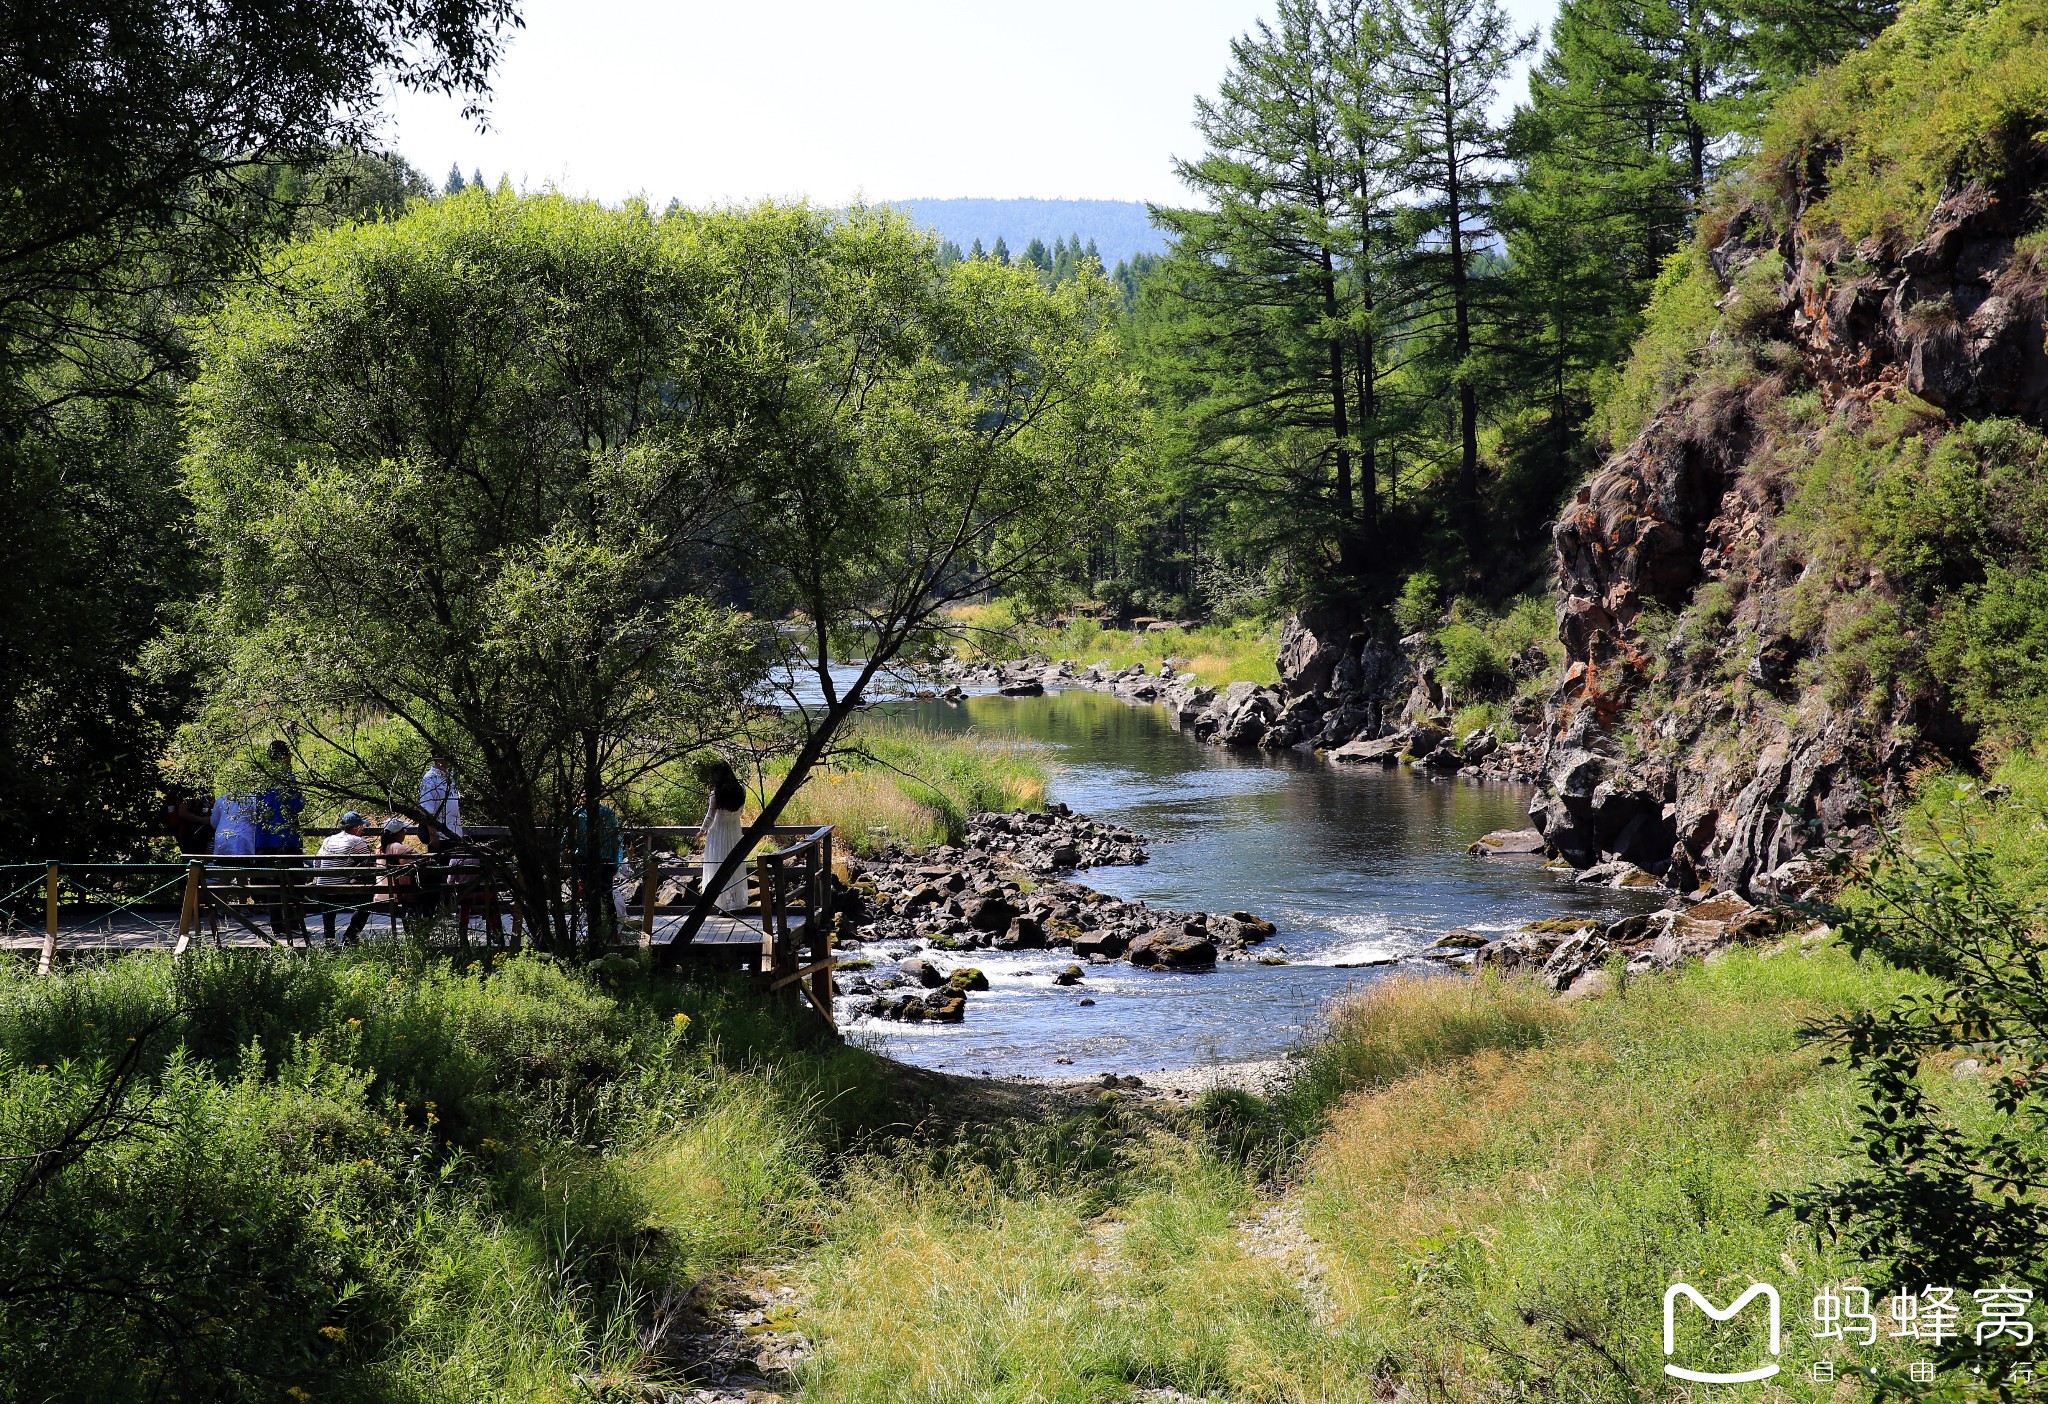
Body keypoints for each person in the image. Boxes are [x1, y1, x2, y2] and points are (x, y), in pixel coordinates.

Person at [315, 812, 375, 945]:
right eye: (362, 827)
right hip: (341, 892)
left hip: (322, 891)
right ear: (356, 828)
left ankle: (329, 940)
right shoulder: (357, 841)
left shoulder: (328, 839)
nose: (363, 829)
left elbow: (317, 864)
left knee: (328, 897)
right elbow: (368, 867)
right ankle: (350, 936)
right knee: (368, 901)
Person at [700, 762, 749, 913]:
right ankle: (733, 903)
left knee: (718, 866)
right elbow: (740, 812)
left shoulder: (716, 794)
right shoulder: (741, 790)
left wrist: (701, 831)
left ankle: (722, 904)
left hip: (718, 833)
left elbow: (710, 817)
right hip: (734, 831)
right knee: (734, 868)